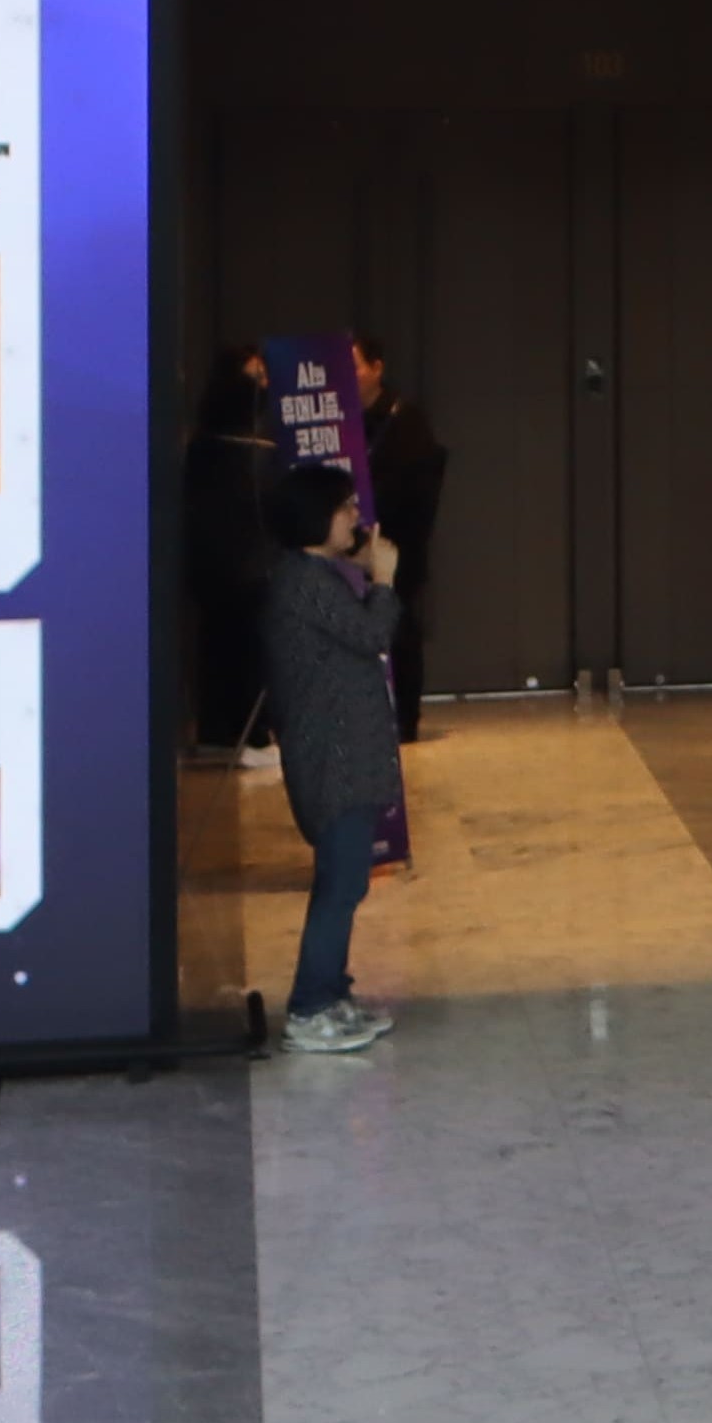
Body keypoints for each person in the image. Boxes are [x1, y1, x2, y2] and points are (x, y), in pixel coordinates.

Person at [257, 460, 406, 1053]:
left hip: (348, 756)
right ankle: (309, 1006)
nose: (355, 517)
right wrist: (384, 582)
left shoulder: (319, 576)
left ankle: (333, 991)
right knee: (339, 885)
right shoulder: (304, 582)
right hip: (333, 760)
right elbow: (371, 636)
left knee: (348, 883)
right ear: (315, 517)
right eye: (345, 507)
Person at [178, 354, 279, 763]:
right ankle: (244, 734)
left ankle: (225, 731)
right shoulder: (227, 450)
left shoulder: (204, 447)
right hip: (235, 567)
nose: (263, 384)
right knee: (239, 648)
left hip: (223, 567)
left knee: (227, 646)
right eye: (255, 376)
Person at [358, 342, 454, 741]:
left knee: (399, 627)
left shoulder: (406, 419)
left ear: (377, 368)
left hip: (396, 543)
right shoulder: (340, 419)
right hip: (351, 545)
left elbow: (418, 490)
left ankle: (404, 717)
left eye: (356, 366)